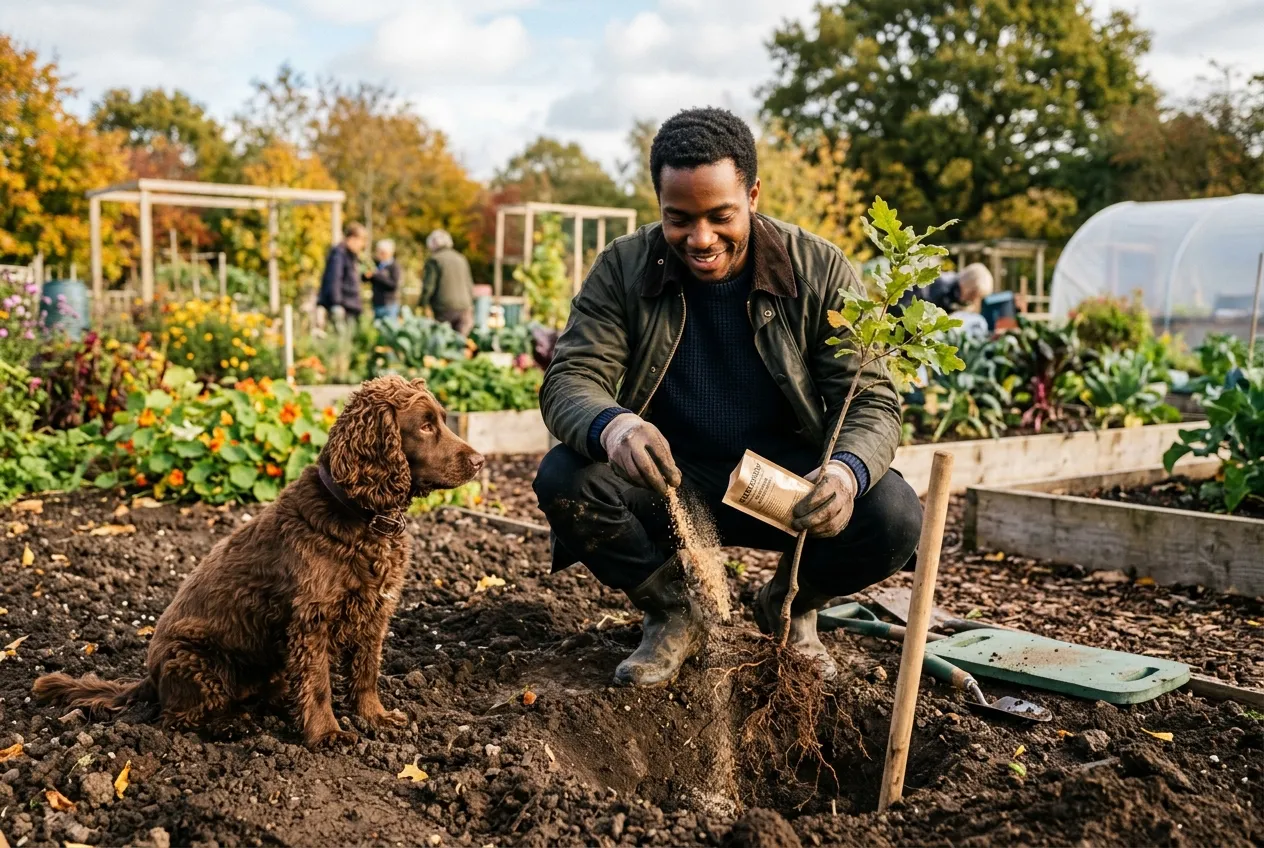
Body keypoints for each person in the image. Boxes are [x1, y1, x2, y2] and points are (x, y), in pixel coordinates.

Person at [532, 108, 923, 688]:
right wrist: (616, 428)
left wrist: (843, 473)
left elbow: (870, 400)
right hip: (669, 482)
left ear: (753, 195)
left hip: (784, 490)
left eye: (721, 216)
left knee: (891, 514)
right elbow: (570, 379)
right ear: (659, 204)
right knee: (566, 478)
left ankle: (791, 606)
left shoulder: (817, 268)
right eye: (679, 219)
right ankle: (674, 612)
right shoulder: (622, 267)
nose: (701, 238)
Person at [420, 229, 475, 335]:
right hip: (465, 307)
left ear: (433, 244)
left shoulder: (434, 260)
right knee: (460, 343)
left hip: (444, 308)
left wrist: (423, 304)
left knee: (444, 343)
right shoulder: (461, 258)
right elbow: (469, 284)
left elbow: (428, 286)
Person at [895, 262, 994, 316]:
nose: (972, 300)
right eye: (972, 295)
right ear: (968, 286)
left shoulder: (953, 294)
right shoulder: (940, 290)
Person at [318, 222, 367, 324]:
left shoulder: (350, 256)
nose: (362, 246)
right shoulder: (339, 254)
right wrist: (336, 304)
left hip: (351, 306)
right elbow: (334, 279)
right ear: (352, 238)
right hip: (343, 306)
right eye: (361, 241)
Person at [366, 238, 402, 322]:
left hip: (389, 305)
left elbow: (394, 285)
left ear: (385, 252)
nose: (377, 253)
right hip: (377, 303)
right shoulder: (377, 264)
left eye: (379, 251)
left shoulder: (395, 266)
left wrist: (377, 275)